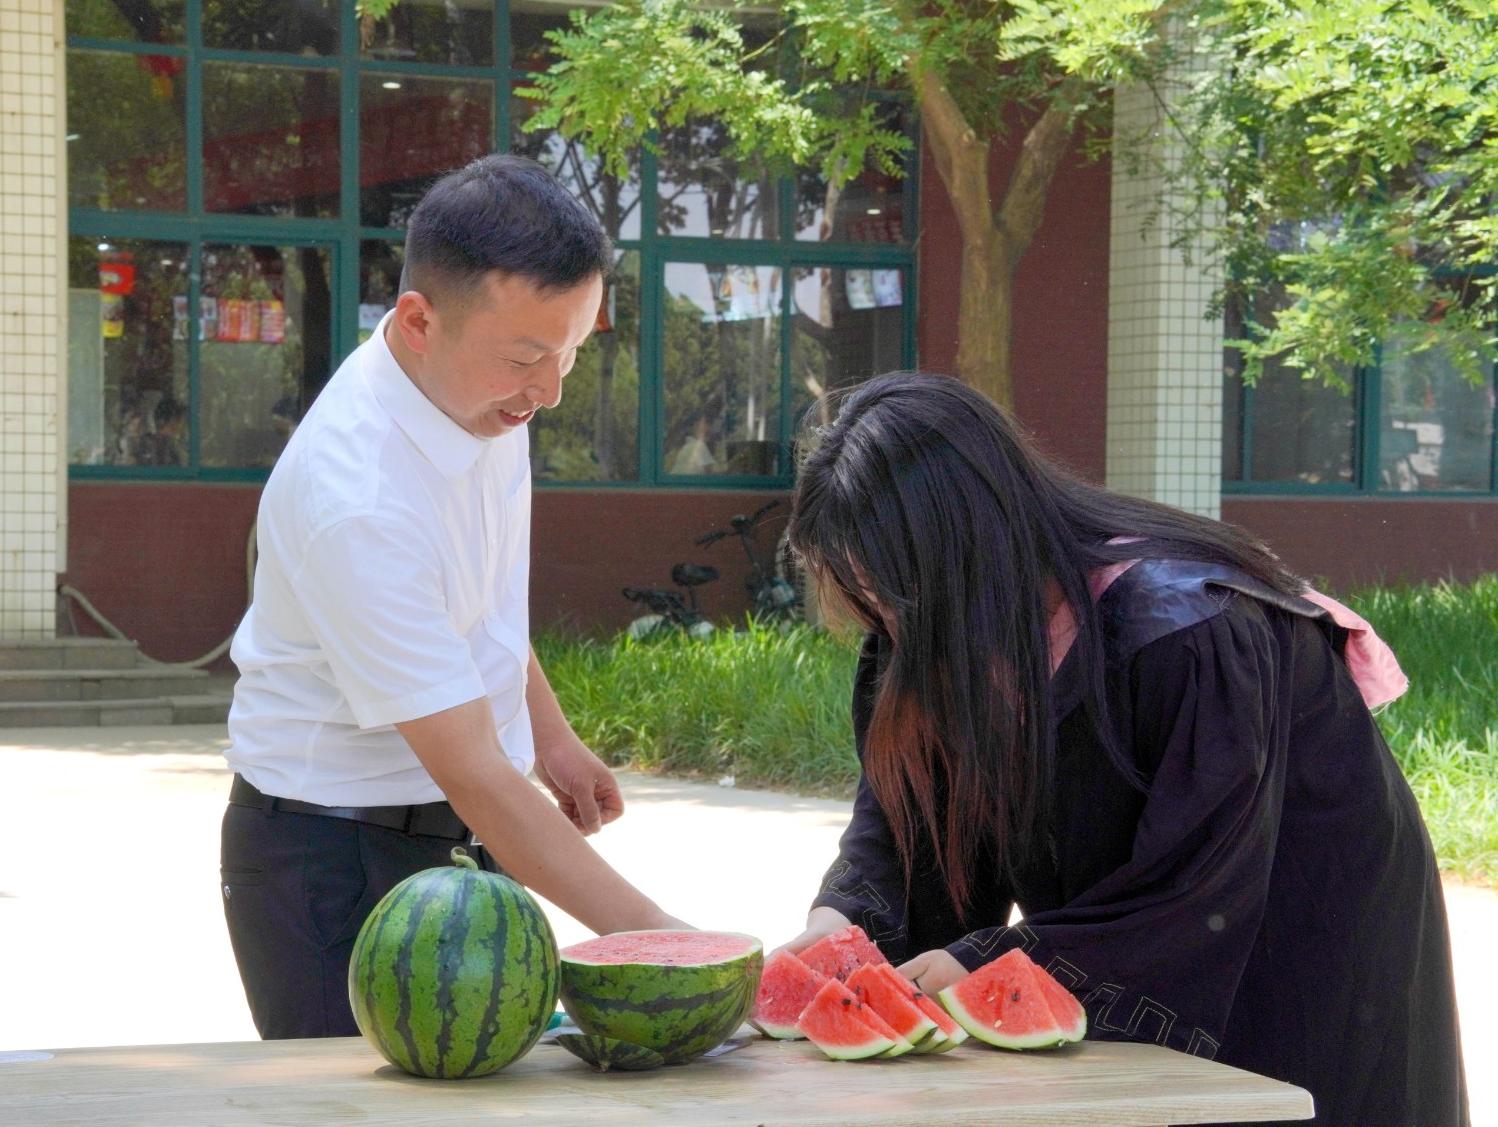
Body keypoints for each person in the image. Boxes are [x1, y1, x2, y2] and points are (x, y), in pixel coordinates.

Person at [780, 372, 1468, 1127]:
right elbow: (910, 821)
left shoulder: (1189, 629)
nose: (884, 620)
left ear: (967, 554)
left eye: (894, 592)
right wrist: (842, 923)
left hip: (1301, 924)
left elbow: (1195, 885)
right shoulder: (918, 629)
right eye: (865, 594)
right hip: (1157, 910)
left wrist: (986, 963)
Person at [222, 155, 685, 1040]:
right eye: (526, 358)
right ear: (419, 320)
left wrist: (550, 736)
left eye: (573, 353)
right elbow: (472, 770)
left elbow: (473, 603)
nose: (547, 391)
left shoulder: (481, 398)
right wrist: (670, 945)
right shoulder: (356, 497)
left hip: (465, 833)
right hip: (335, 856)